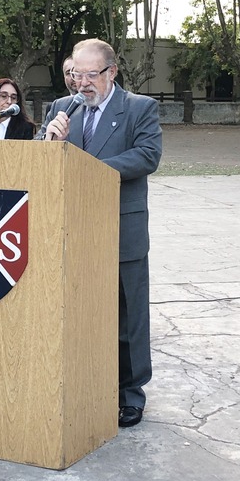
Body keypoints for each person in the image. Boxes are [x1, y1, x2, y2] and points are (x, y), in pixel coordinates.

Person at [36, 38, 162, 428]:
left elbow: (146, 156)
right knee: (76, 312)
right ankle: (84, 385)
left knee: (126, 316)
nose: (82, 83)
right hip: (70, 230)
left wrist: (87, 167)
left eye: (91, 75)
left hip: (120, 228)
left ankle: (129, 394)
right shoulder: (61, 107)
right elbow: (41, 162)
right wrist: (50, 142)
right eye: (76, 74)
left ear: (112, 72)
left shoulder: (140, 108)